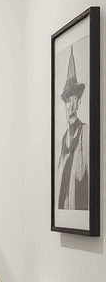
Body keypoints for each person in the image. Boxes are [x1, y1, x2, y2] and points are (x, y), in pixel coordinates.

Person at [57, 47, 88, 211]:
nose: (72, 107)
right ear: (64, 105)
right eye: (68, 102)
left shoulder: (86, 134)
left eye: (75, 100)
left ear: (80, 102)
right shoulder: (63, 141)